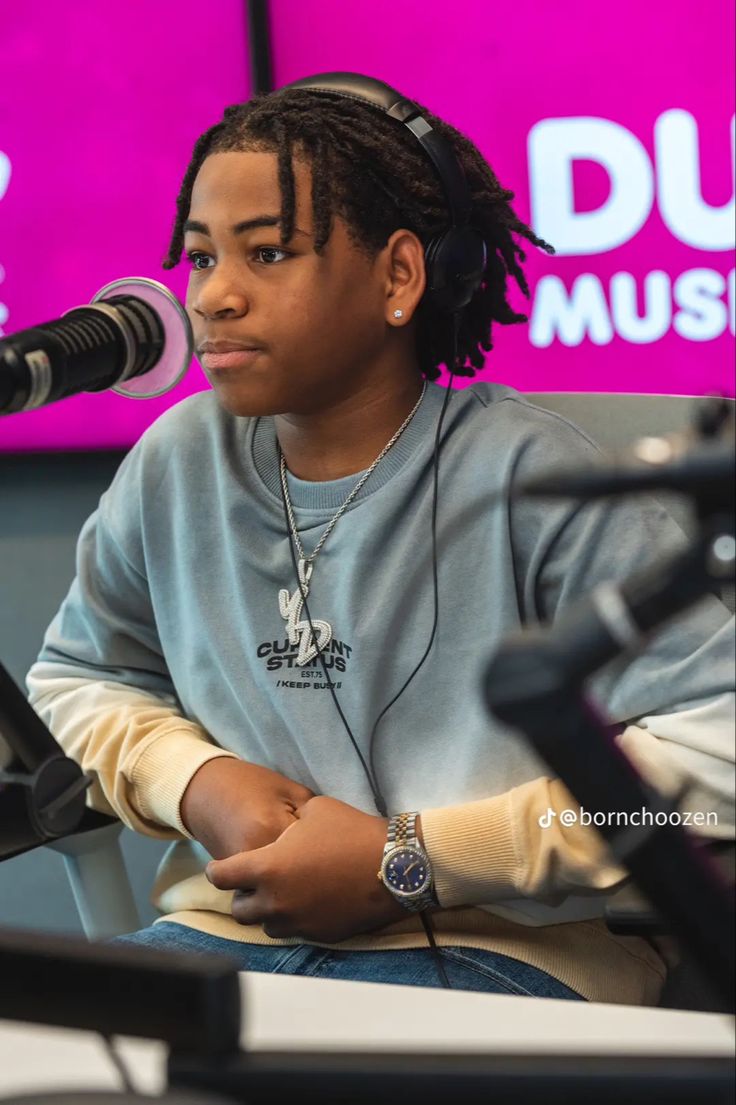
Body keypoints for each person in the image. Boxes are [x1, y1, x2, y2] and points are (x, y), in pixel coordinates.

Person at [27, 75, 734, 1005]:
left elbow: (716, 757)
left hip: (508, 959)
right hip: (220, 936)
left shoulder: (529, 475)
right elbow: (78, 679)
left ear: (399, 275)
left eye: (268, 253)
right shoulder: (175, 462)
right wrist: (196, 780)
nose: (214, 299)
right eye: (201, 259)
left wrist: (416, 861)